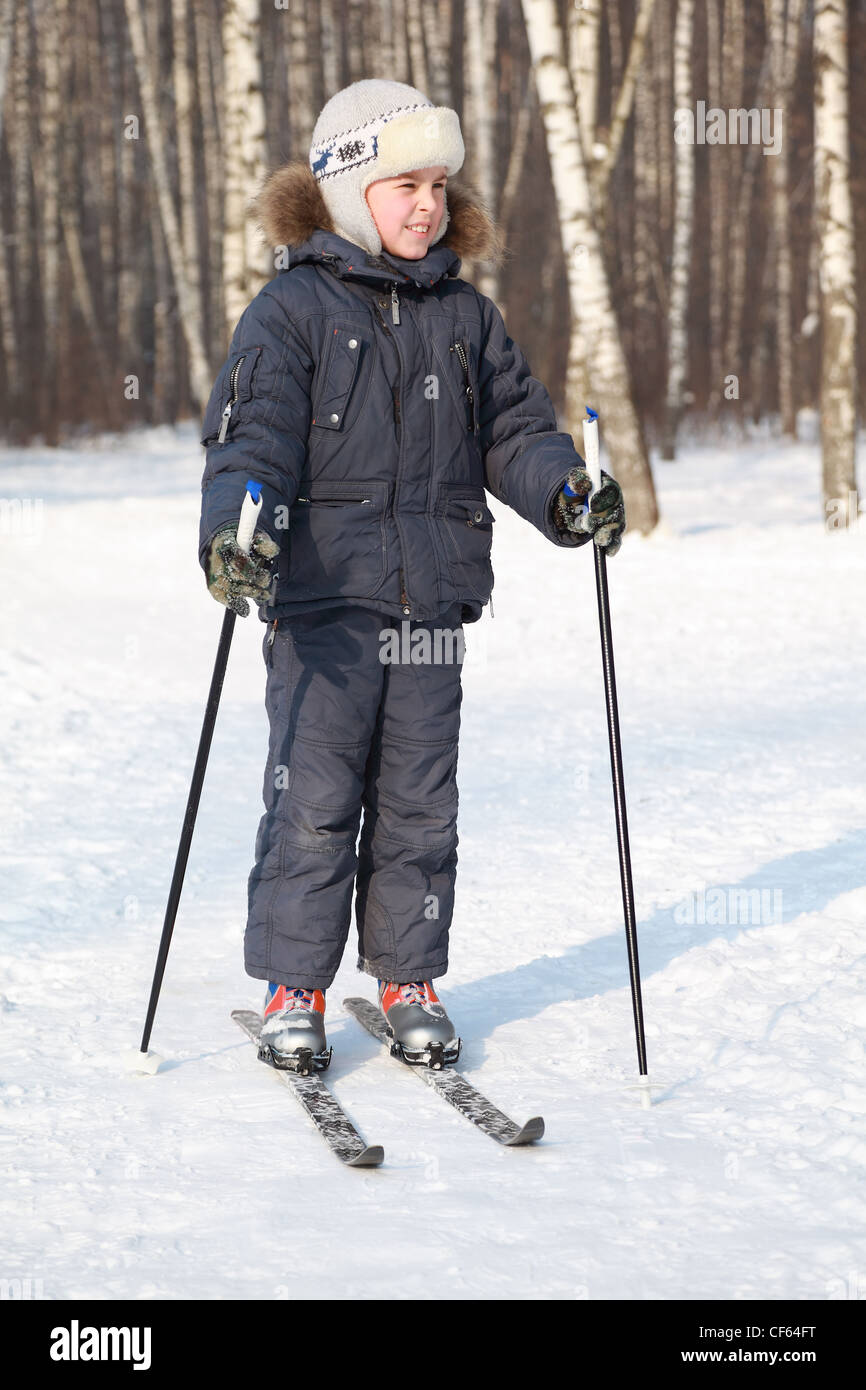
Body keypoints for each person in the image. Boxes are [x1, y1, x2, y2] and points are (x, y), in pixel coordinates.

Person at [198, 79, 625, 1072]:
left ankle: (406, 977)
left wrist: (565, 492)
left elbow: (515, 430)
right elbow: (250, 441)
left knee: (421, 805)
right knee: (312, 799)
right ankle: (293, 986)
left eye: (438, 183)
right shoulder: (289, 311)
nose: (427, 204)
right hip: (322, 607)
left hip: (428, 605)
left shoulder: (464, 319)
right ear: (350, 187)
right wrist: (236, 533)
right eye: (404, 183)